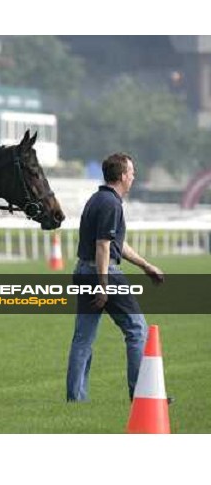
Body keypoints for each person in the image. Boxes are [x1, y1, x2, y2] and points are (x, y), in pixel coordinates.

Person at [66, 153, 164, 402]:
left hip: (83, 271)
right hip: (102, 273)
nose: (133, 177)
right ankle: (142, 395)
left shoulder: (97, 199)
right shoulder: (112, 204)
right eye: (131, 173)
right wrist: (103, 285)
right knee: (137, 329)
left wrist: (145, 265)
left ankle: (75, 400)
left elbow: (115, 244)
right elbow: (103, 247)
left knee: (83, 339)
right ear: (122, 176)